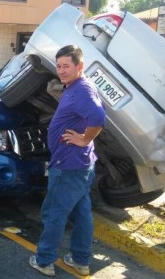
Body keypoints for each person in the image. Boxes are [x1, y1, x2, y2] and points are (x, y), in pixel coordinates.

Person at [29, 45, 106, 277]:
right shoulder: (81, 86)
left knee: (54, 212)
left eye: (66, 66)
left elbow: (98, 117)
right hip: (81, 164)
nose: (61, 71)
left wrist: (84, 139)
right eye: (59, 66)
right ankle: (81, 260)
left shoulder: (81, 90)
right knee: (81, 213)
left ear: (79, 66)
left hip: (68, 164)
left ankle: (44, 261)